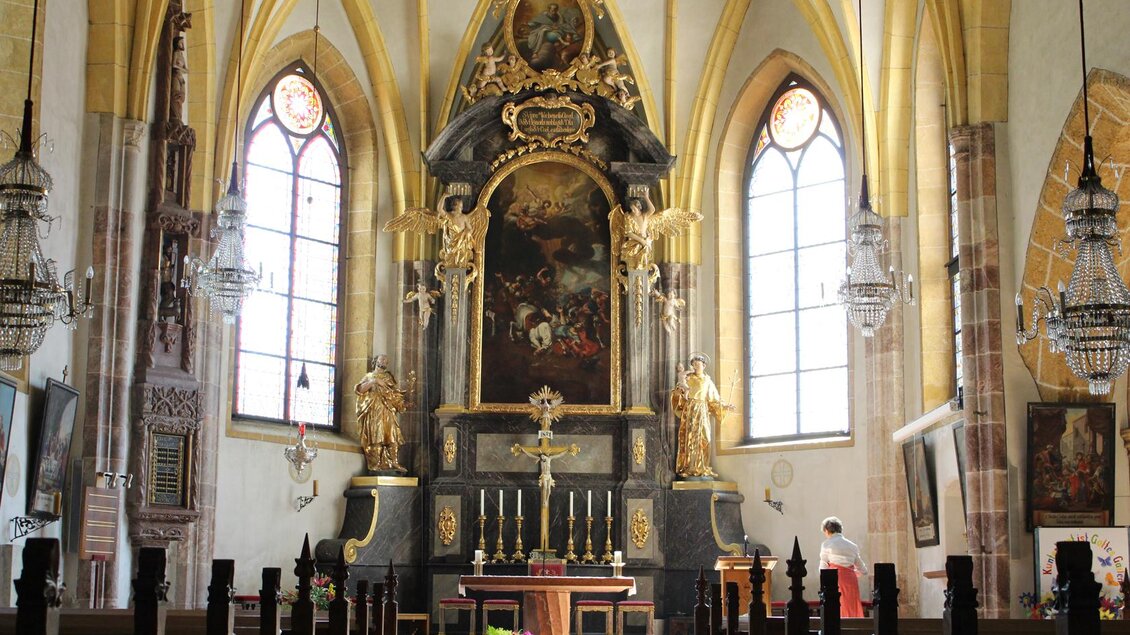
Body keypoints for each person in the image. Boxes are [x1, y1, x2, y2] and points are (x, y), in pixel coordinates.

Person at [671, 352, 732, 478]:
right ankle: (690, 467)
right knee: (691, 439)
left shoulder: (708, 381)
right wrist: (677, 393)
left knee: (706, 438)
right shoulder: (688, 379)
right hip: (691, 410)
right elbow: (679, 393)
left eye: (698, 364)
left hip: (703, 410)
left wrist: (725, 407)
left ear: (704, 366)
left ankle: (702, 467)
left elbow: (714, 400)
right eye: (694, 364)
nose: (696, 367)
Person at [355, 354, 408, 473]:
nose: (384, 360)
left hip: (388, 410)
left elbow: (394, 394)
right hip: (374, 411)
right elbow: (359, 390)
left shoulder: (389, 377)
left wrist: (403, 405)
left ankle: (394, 462)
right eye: (382, 358)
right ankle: (375, 464)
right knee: (376, 436)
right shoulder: (369, 376)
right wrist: (374, 381)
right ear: (376, 361)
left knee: (392, 436)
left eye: (386, 360)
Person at [819, 516, 868, 617]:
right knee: (851, 604)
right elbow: (863, 570)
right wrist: (854, 573)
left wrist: (824, 581)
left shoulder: (827, 544)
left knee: (836, 605)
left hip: (835, 579)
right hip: (851, 579)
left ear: (827, 530)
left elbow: (823, 567)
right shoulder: (852, 546)